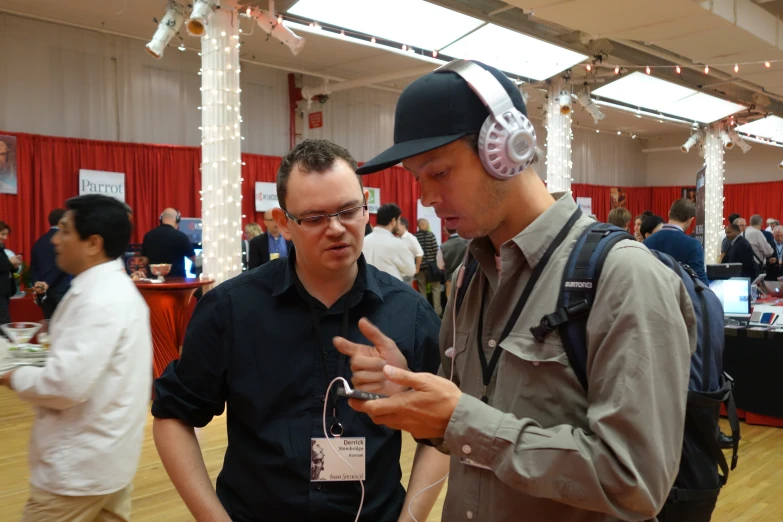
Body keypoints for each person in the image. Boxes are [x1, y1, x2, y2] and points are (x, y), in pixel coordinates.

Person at [340, 59, 696, 521]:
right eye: (416, 177)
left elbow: (636, 481)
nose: (425, 197)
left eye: (440, 172)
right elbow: (461, 425)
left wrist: (460, 419)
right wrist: (412, 393)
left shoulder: (624, 278)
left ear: (506, 148)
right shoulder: (470, 273)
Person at [151, 139, 447, 522]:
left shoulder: (410, 314)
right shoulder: (231, 310)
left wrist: (411, 518)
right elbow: (173, 414)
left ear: (366, 209)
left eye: (348, 211)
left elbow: (442, 425)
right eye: (314, 217)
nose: (337, 229)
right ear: (283, 223)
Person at [0, 194, 152, 522]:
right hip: (105, 461)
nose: (55, 239)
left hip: (77, 471)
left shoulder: (101, 298)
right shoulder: (108, 289)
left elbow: (65, 385)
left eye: (65, 231)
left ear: (93, 243)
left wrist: (11, 374)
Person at [643, 198, 709, 285]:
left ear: (669, 213)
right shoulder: (693, 245)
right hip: (681, 296)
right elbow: (700, 280)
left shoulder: (647, 242)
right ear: (690, 220)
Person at [30, 209, 70, 319]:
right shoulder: (66, 240)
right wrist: (47, 282)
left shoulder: (39, 242)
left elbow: (33, 268)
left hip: (44, 293)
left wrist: (38, 285)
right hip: (62, 290)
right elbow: (62, 265)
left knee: (50, 328)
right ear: (62, 222)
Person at [362, 203, 416, 281]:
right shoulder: (397, 243)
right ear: (393, 221)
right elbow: (411, 270)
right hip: (391, 290)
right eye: (399, 220)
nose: (399, 223)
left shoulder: (364, 241)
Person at [142, 208, 195, 278]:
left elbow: (144, 261)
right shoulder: (181, 236)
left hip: (154, 282)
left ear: (161, 219)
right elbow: (193, 258)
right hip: (178, 283)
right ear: (177, 219)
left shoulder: (148, 235)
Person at [0, 221, 21, 325]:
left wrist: (15, 266)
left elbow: (5, 267)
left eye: (6, 235)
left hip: (5, 292)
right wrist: (10, 262)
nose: (5, 238)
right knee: (4, 325)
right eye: (2, 234)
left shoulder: (1, 248)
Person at [397, 217, 424, 285]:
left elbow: (419, 253)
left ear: (404, 225)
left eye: (397, 225)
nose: (396, 227)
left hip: (407, 273)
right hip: (397, 272)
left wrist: (417, 268)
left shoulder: (411, 238)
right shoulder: (396, 238)